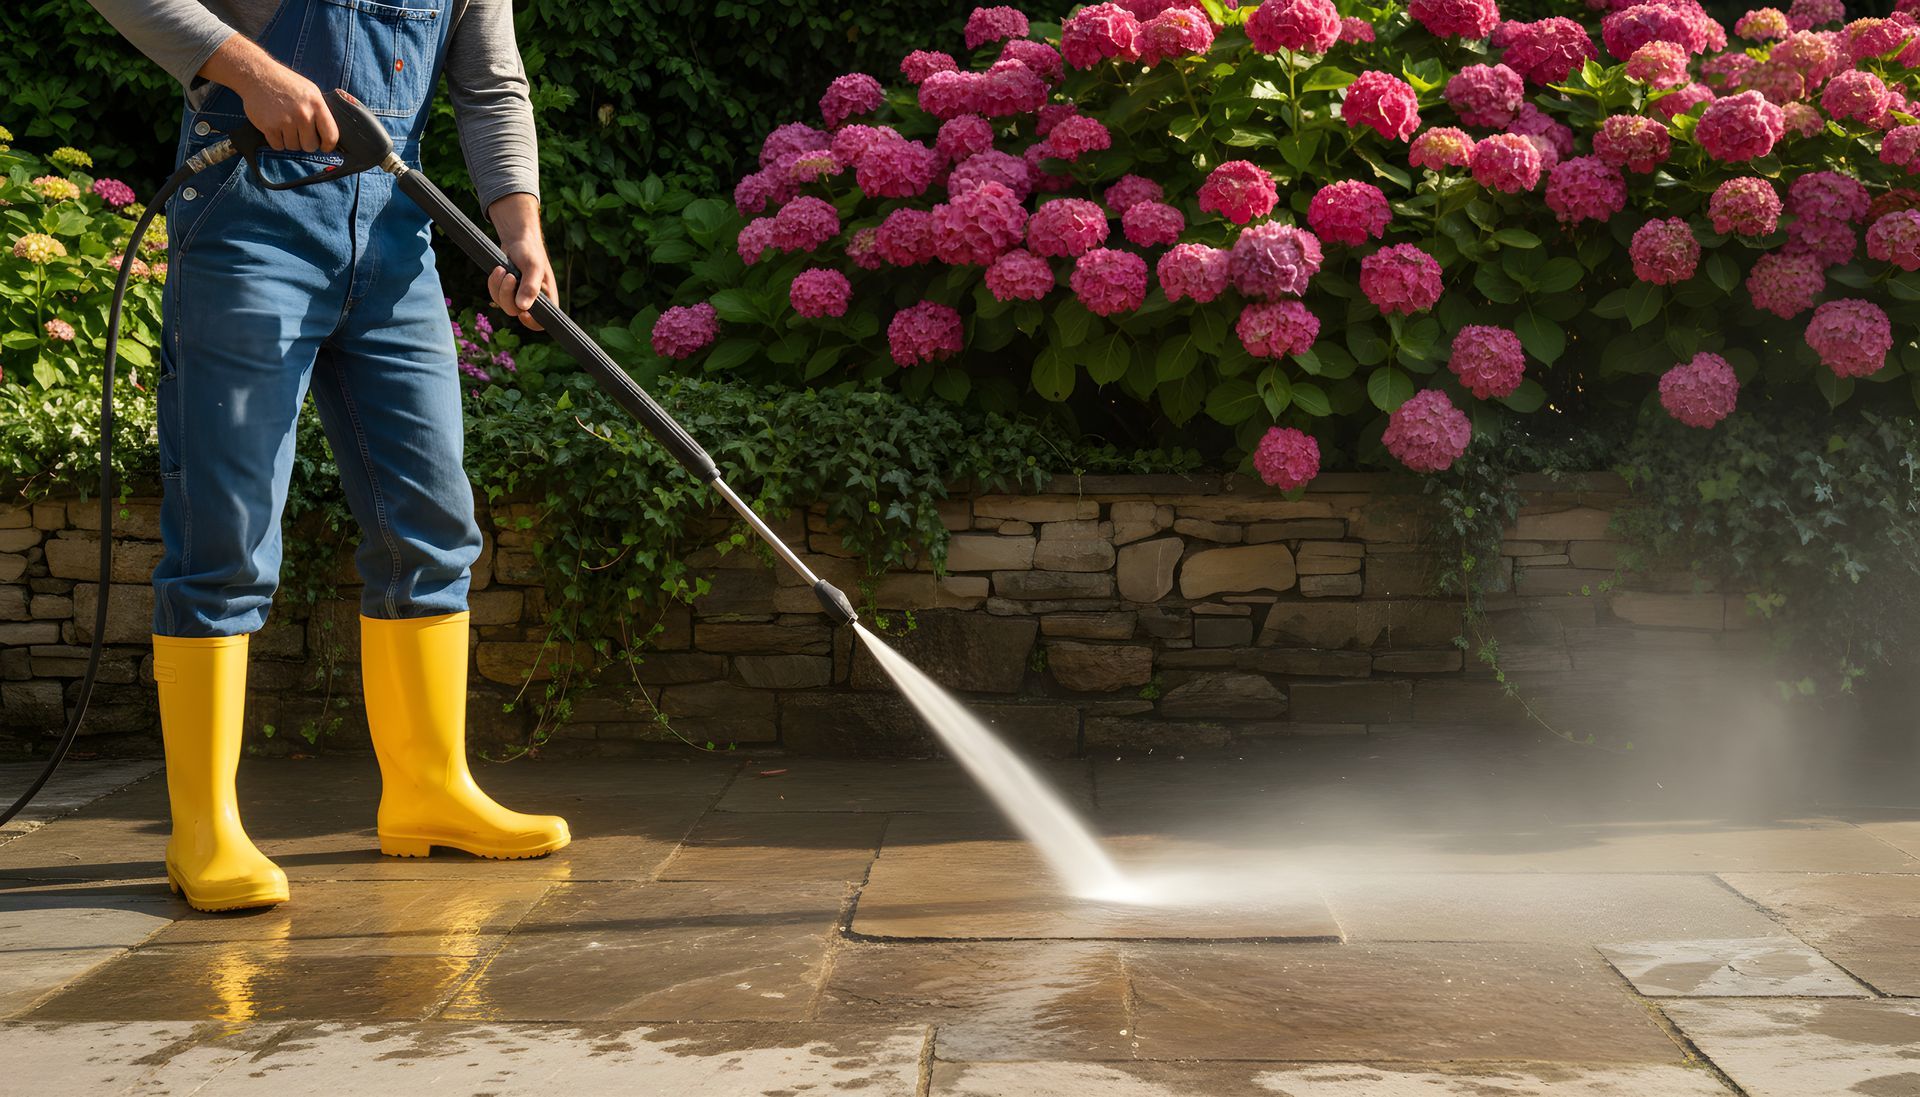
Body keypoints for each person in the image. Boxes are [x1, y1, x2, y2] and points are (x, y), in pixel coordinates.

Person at [85, 0, 568, 912]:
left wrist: (520, 233)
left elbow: (491, 84)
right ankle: (205, 829)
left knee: (429, 522)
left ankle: (429, 792)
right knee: (226, 535)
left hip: (393, 240)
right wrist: (246, 68)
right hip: (248, 227)